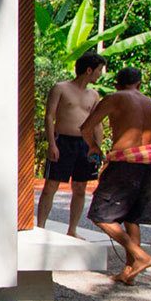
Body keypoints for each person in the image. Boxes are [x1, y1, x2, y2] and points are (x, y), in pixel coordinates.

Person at [79, 66, 151, 285]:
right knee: (131, 218)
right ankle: (128, 273)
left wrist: (94, 148)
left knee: (101, 215)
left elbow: (86, 128)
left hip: (125, 165)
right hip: (150, 165)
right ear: (140, 84)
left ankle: (140, 255)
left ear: (117, 83)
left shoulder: (115, 98)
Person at [38, 51, 106, 236]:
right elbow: (49, 116)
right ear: (89, 70)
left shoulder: (93, 94)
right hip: (63, 141)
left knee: (80, 188)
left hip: (85, 144)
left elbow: (97, 124)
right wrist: (52, 144)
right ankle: (41, 227)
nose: (100, 74)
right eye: (99, 70)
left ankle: (72, 229)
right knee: (51, 186)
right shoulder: (61, 88)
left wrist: (97, 148)